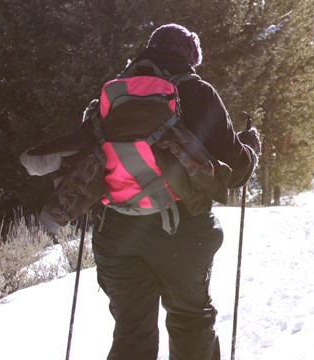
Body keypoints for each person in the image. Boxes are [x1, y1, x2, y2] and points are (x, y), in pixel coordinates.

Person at [92, 23, 260, 360]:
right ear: (190, 57)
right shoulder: (198, 92)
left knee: (131, 333)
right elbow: (235, 170)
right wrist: (251, 147)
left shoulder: (114, 93)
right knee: (190, 321)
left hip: (117, 230)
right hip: (181, 231)